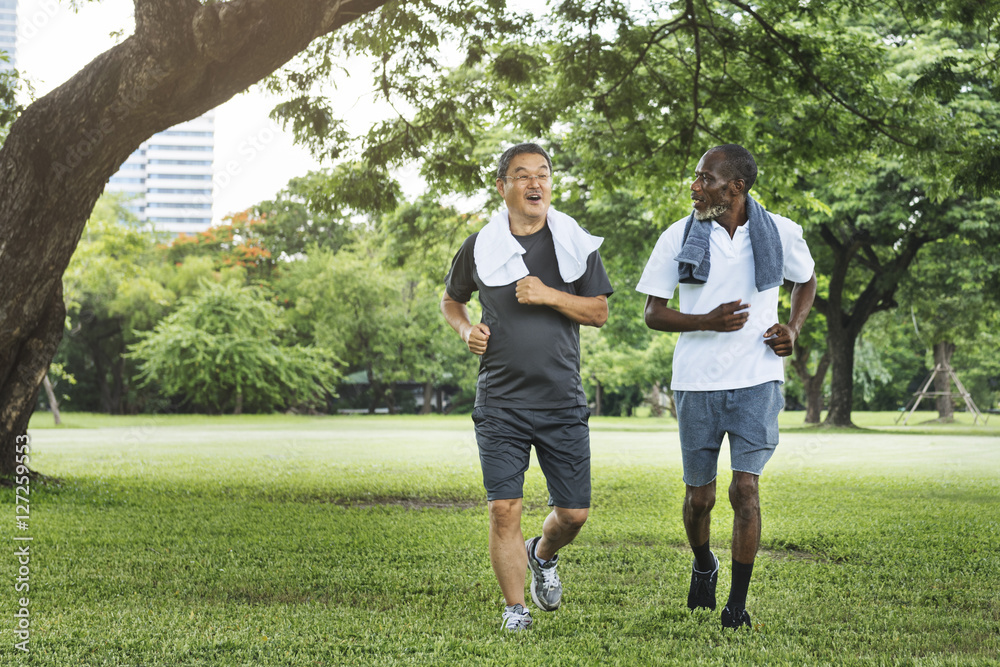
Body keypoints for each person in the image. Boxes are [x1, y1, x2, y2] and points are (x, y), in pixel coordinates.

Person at [635, 144, 816, 630]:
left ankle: (737, 604)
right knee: (700, 499)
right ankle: (703, 563)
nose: (696, 186)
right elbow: (652, 313)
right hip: (697, 383)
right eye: (696, 177)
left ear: (735, 187)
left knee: (745, 491)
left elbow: (806, 280)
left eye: (706, 179)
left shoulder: (780, 231)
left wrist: (792, 328)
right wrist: (706, 321)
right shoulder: (677, 236)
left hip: (758, 378)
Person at [440, 142, 614, 632]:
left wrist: (549, 294)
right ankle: (515, 610)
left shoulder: (574, 243)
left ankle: (543, 553)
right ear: (503, 187)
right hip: (500, 400)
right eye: (522, 175)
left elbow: (599, 312)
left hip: (561, 398)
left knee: (575, 514)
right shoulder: (480, 246)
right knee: (503, 508)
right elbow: (452, 301)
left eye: (543, 174)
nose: (535, 183)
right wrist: (464, 329)